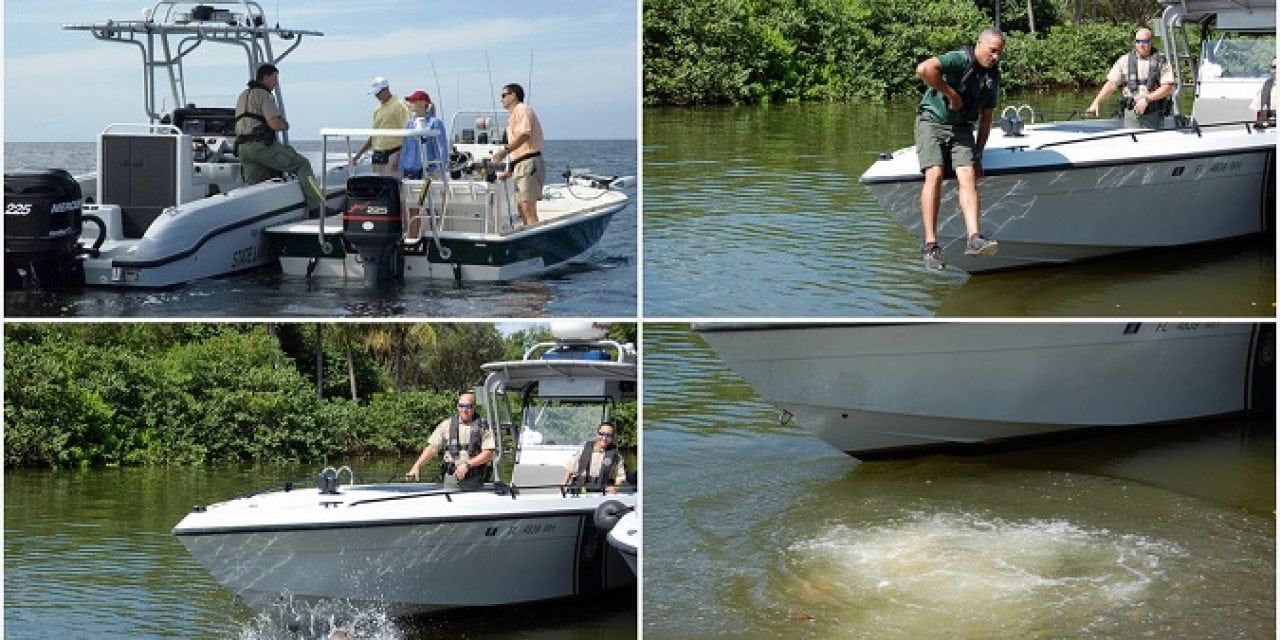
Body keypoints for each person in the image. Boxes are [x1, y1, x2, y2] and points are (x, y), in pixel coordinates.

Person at [914, 28, 1005, 271]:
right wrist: (950, 93)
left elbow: (986, 119)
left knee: (967, 174)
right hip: (932, 121)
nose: (996, 56)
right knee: (935, 173)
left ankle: (974, 238)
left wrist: (977, 155)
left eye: (1000, 52)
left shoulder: (992, 77)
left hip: (962, 128)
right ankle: (931, 245)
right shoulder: (960, 59)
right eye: (992, 51)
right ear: (980, 45)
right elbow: (924, 69)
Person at [233, 63, 325, 215]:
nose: (276, 83)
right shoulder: (264, 95)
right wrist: (285, 125)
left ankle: (255, 215)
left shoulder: (243, 95)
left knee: (255, 186)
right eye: (275, 78)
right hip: (261, 147)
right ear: (266, 76)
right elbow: (274, 124)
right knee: (302, 164)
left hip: (243, 149)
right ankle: (317, 207)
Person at [1084, 28, 1175, 130]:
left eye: (1145, 41)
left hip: (1154, 114)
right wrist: (1097, 101)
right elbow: (1111, 84)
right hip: (1131, 114)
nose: (1141, 44)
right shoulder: (1124, 60)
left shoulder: (1161, 61)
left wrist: (1147, 99)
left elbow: (1168, 88)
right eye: (1138, 41)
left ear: (1151, 41)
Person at [405, 392, 495, 491]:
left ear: (474, 407)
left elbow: (489, 454)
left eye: (468, 406)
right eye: (461, 406)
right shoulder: (446, 425)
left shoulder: (483, 426)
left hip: (474, 479)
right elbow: (432, 448)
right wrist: (417, 466)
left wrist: (467, 465)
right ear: (457, 406)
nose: (464, 410)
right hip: (451, 478)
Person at [491, 83, 544, 227]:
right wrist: (510, 170)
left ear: (513, 96)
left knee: (527, 207)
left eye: (503, 95)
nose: (501, 99)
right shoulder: (513, 116)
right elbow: (519, 150)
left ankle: (534, 241)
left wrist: (504, 151)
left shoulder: (522, 110)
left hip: (528, 163)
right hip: (520, 165)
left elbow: (524, 135)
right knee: (521, 207)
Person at [353, 77, 412, 176]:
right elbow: (373, 137)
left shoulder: (400, 106)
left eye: (378, 92)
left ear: (386, 89)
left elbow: (407, 134)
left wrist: (399, 158)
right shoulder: (377, 110)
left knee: (393, 187)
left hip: (393, 155)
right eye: (375, 93)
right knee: (378, 189)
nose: (377, 96)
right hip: (377, 157)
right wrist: (358, 155)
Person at [560, 422, 627, 494]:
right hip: (582, 491)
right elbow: (569, 470)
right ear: (597, 434)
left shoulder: (616, 456)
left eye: (608, 435)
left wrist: (615, 488)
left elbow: (620, 477)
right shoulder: (583, 451)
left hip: (603, 492)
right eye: (602, 434)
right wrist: (562, 488)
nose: (604, 438)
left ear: (612, 437)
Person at [400, 90, 448, 180]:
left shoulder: (435, 123)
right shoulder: (410, 123)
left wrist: (439, 169)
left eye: (413, 101)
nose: (410, 104)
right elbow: (405, 148)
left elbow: (442, 147)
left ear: (422, 103)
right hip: (409, 170)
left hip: (428, 170)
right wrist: (401, 168)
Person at [1250, 58, 1277, 123]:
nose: (1276, 70)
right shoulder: (1265, 86)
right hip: (1268, 128)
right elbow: (1255, 110)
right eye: (1274, 67)